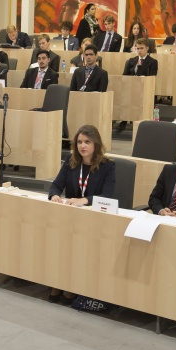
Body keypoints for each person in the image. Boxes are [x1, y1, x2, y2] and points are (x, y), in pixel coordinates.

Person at [48, 124, 115, 303]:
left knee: (78, 246)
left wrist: (83, 200)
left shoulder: (108, 166)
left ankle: (73, 285)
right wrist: (54, 195)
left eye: (87, 142)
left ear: (96, 144)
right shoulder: (71, 160)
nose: (82, 146)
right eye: (79, 142)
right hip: (71, 216)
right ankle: (59, 280)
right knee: (61, 244)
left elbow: (106, 196)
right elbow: (56, 185)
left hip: (94, 218)